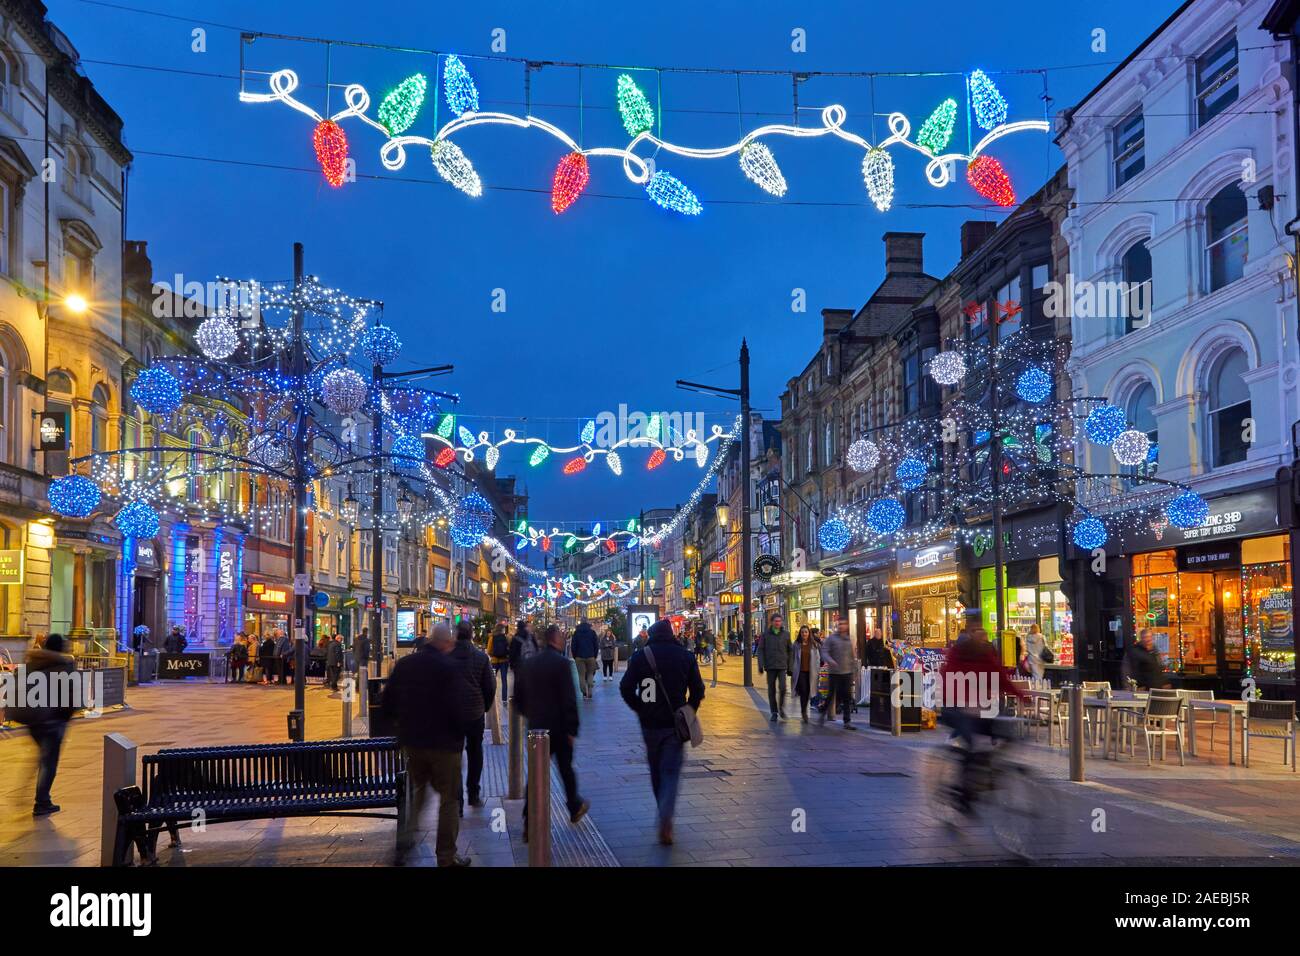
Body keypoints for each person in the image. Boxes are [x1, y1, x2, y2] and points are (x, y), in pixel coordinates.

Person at [382, 624, 471, 867]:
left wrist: (400, 731)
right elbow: (456, 708)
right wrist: (460, 736)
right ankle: (446, 856)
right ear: (444, 643)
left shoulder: (405, 665)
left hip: (414, 743)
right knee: (449, 800)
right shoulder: (448, 668)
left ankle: (404, 842)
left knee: (418, 793)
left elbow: (387, 702)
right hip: (444, 745)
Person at [620, 618, 705, 846]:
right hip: (674, 724)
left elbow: (625, 687)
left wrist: (640, 708)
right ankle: (666, 817)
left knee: (656, 771)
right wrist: (689, 709)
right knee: (671, 772)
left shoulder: (641, 657)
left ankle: (662, 809)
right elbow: (698, 689)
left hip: (650, 724)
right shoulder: (685, 657)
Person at [514, 623, 589, 838]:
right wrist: (572, 729)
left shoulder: (528, 664)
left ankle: (529, 821)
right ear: (555, 640)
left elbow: (518, 699)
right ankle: (574, 806)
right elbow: (569, 699)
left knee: (536, 774)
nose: (565, 639)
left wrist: (531, 714)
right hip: (559, 728)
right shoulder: (562, 664)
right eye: (562, 637)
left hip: (537, 728)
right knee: (566, 769)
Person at [7, 634, 76, 816]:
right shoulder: (63, 665)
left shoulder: (31, 663)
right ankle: (42, 801)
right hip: (52, 720)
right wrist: (65, 716)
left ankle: (25, 792)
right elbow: (70, 695)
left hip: (33, 720)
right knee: (49, 761)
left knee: (43, 757)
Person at [756, 613, 793, 721]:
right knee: (771, 690)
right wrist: (760, 665)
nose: (777, 623)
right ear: (771, 622)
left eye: (779, 621)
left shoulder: (786, 634)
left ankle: (781, 708)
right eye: (775, 621)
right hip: (770, 666)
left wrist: (790, 666)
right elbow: (761, 649)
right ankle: (774, 712)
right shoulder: (765, 635)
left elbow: (790, 650)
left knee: (783, 688)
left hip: (782, 665)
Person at [820, 619, 857, 728]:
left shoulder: (848, 640)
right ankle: (823, 713)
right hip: (834, 673)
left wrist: (854, 671)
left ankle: (847, 721)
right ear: (837, 625)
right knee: (831, 696)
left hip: (847, 673)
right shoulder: (831, 639)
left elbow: (852, 656)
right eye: (840, 624)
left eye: (844, 624)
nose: (842, 626)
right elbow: (824, 651)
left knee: (847, 697)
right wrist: (830, 660)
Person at [791, 625, 822, 722]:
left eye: (806, 632)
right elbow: (791, 657)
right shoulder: (796, 644)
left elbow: (818, 658)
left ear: (809, 634)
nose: (804, 634)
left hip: (811, 672)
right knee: (803, 691)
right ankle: (804, 712)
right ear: (800, 634)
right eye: (803, 632)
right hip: (800, 672)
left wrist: (818, 669)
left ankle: (805, 709)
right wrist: (790, 669)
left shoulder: (814, 645)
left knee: (808, 692)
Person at [570, 619, 600, 699]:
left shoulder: (576, 633)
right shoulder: (592, 633)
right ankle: (590, 690)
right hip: (591, 656)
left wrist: (575, 656)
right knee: (590, 673)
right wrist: (594, 655)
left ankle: (584, 693)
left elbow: (573, 646)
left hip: (579, 657)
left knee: (581, 675)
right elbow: (596, 646)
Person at [487, 623, 511, 703]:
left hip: (494, 661)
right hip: (504, 661)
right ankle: (504, 699)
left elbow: (489, 650)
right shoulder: (506, 637)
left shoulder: (492, 637)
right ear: (502, 629)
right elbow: (509, 648)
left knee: (492, 679)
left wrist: (493, 655)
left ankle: (491, 697)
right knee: (504, 680)